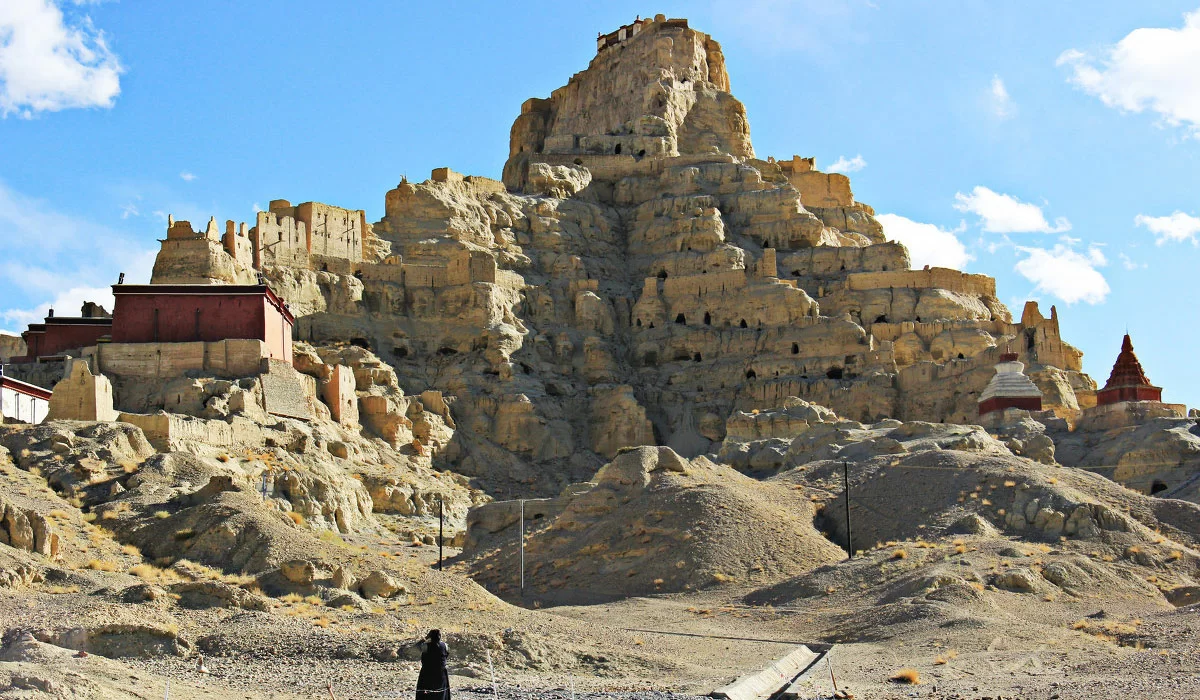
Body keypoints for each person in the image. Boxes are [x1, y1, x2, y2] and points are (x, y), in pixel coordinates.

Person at [415, 629, 450, 700]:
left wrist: (426, 638)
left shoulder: (426, 646)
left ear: (430, 636)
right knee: (440, 693)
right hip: (441, 673)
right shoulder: (445, 645)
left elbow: (417, 645)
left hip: (427, 673)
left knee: (427, 693)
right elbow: (446, 655)